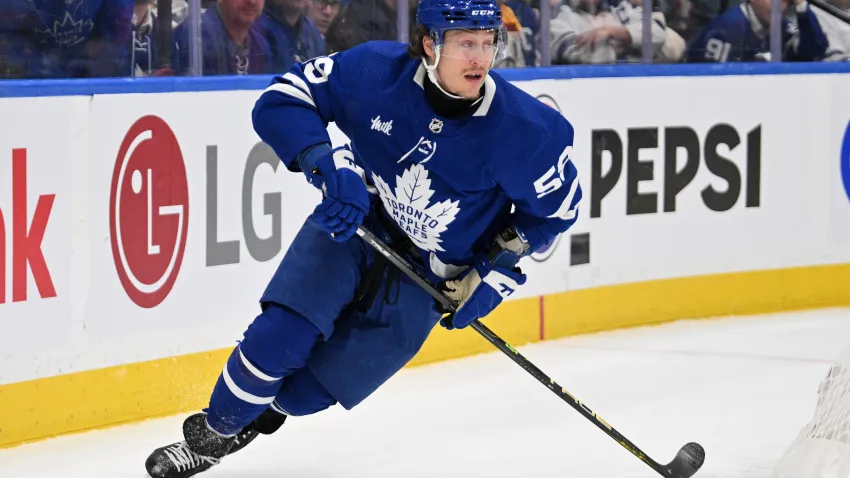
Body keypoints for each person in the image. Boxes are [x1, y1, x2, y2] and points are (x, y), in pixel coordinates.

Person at [144, 0, 582, 474]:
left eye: (487, 43)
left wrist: (491, 270)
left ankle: (258, 415)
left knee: (304, 395)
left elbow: (557, 212)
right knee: (280, 337)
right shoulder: (376, 70)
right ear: (430, 45)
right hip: (359, 222)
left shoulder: (525, 131)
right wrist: (330, 169)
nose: (479, 58)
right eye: (465, 44)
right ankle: (213, 437)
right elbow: (282, 99)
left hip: (431, 277)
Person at [686, 0, 829, 62]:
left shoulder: (783, 28)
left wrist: (802, 7)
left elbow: (816, 50)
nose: (778, 5)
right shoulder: (725, 28)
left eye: (785, 0)